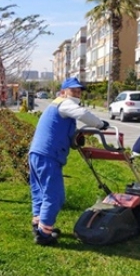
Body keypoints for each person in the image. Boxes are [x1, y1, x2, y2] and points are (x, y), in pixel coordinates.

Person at [28, 77, 109, 246]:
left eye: (79, 91)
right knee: (55, 195)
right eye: (74, 90)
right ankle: (44, 235)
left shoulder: (56, 106)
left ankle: (39, 224)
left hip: (37, 153)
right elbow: (82, 114)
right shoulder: (64, 104)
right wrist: (100, 125)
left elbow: (64, 130)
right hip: (48, 155)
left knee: (41, 193)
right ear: (64, 91)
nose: (77, 93)